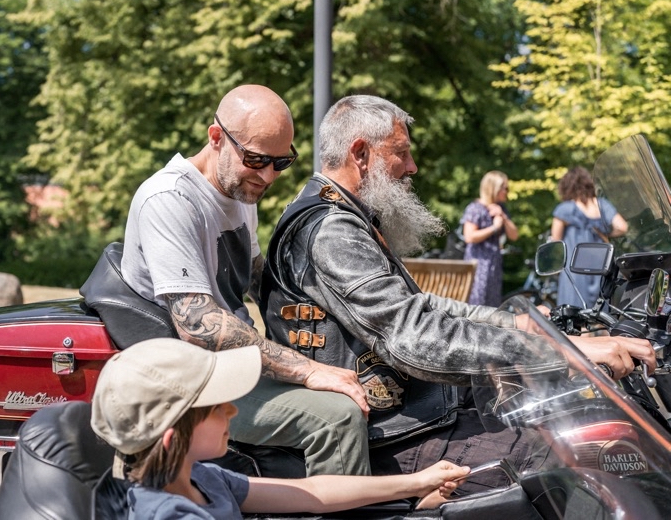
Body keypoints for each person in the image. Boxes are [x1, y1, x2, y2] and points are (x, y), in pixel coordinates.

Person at [260, 94, 656, 493]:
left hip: (412, 410)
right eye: (401, 153)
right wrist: (564, 355)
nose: (412, 167)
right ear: (360, 153)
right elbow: (415, 338)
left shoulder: (344, 216)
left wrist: (527, 326)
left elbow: (423, 307)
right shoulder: (332, 231)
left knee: (565, 422)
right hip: (388, 432)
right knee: (565, 455)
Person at [120, 84, 370, 477]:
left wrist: (343, 313)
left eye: (281, 162)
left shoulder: (238, 193)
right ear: (216, 137)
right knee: (338, 418)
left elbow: (262, 281)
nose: (268, 176)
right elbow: (197, 325)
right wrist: (307, 369)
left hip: (231, 366)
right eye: (256, 158)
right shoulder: (168, 199)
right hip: (191, 382)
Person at [90, 338, 471, 519]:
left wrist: (417, 483)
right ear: (174, 438)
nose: (233, 409)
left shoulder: (200, 478)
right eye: (218, 405)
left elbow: (311, 491)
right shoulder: (172, 515)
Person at [551, 166, 628, 308]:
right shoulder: (602, 205)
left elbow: (556, 240)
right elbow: (623, 227)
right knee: (603, 318)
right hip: (602, 266)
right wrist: (607, 234)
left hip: (576, 268)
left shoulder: (565, 209)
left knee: (575, 318)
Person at [461, 171, 519, 306]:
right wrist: (494, 228)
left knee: (492, 308)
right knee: (476, 306)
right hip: (478, 267)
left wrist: (503, 217)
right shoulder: (476, 208)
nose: (507, 192)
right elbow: (469, 237)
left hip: (494, 266)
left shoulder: (501, 208)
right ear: (494, 188)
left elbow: (514, 235)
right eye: (505, 188)